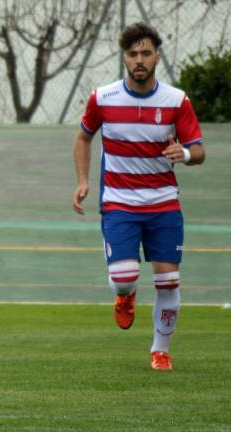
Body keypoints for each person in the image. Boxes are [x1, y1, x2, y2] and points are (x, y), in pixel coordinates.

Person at [72, 22, 205, 371]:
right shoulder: (103, 98)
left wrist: (186, 155)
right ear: (125, 59)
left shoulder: (177, 101)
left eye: (146, 53)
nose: (139, 60)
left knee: (168, 280)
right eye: (133, 54)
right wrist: (83, 181)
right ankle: (125, 295)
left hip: (163, 203)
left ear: (157, 57)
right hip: (119, 202)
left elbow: (199, 149)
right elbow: (83, 138)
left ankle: (160, 351)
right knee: (124, 277)